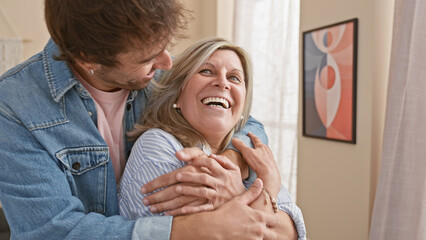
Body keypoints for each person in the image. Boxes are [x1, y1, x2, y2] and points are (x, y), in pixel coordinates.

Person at [0, 0, 304, 239]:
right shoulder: (15, 105)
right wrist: (194, 229)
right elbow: (52, 231)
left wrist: (229, 161)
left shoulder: (161, 80)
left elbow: (247, 122)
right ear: (87, 59)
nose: (166, 64)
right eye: (148, 57)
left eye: (165, 47)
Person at [118, 38, 306, 239]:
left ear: (243, 108)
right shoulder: (157, 146)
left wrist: (242, 196)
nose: (223, 83)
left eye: (234, 77)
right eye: (206, 71)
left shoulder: (251, 155)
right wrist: (269, 187)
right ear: (177, 96)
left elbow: (295, 233)